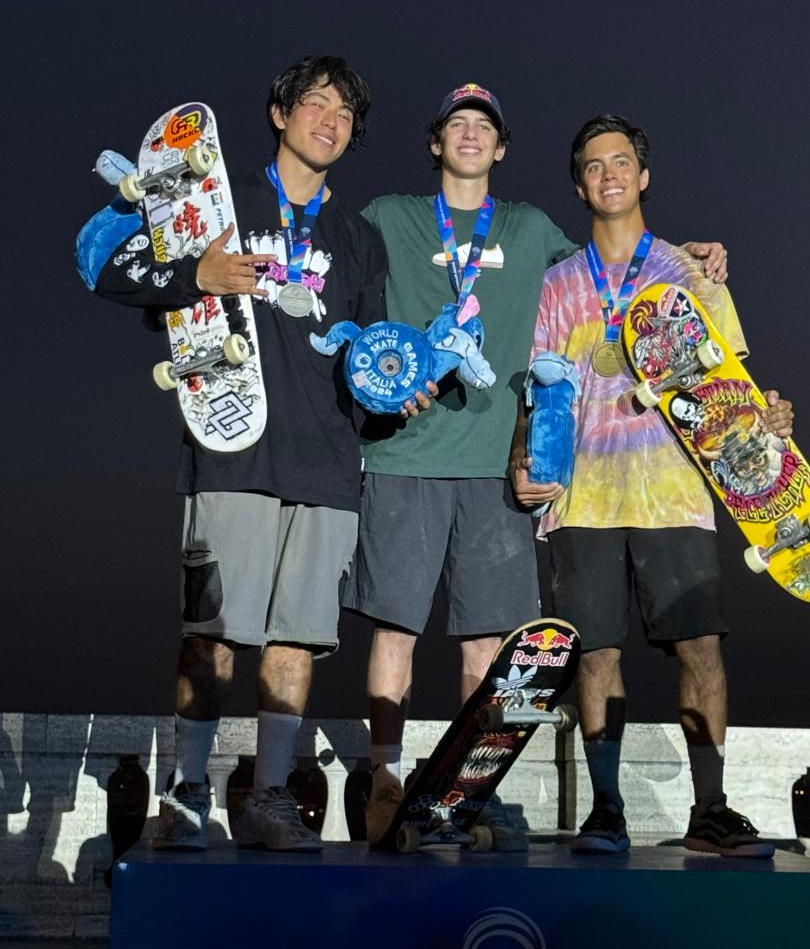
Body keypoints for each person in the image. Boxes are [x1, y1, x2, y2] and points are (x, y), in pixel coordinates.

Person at [349, 84, 728, 847]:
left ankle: (465, 796)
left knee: (490, 646)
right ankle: (384, 778)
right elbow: (328, 271)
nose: (468, 135)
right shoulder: (388, 216)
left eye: (483, 126)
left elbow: (617, 260)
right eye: (455, 123)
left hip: (502, 470)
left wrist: (692, 253)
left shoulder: (531, 231)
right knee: (395, 629)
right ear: (434, 141)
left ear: (502, 148)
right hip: (410, 456)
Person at [76, 56, 388, 851]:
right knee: (211, 631)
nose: (330, 119)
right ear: (279, 115)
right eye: (314, 103)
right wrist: (194, 271)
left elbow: (371, 350)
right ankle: (185, 792)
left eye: (344, 112)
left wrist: (396, 382)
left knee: (295, 640)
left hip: (326, 465)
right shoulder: (217, 198)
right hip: (234, 450)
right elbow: (102, 269)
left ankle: (270, 797)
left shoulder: (358, 237)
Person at [511, 113, 793, 857]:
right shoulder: (558, 284)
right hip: (583, 497)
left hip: (675, 489)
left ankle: (710, 809)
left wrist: (771, 419)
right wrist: (523, 461)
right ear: (579, 185)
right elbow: (539, 390)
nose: (609, 174)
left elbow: (732, 383)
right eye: (593, 165)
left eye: (622, 161)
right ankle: (606, 809)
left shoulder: (690, 272)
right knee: (595, 654)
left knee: (700, 646)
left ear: (643, 176)